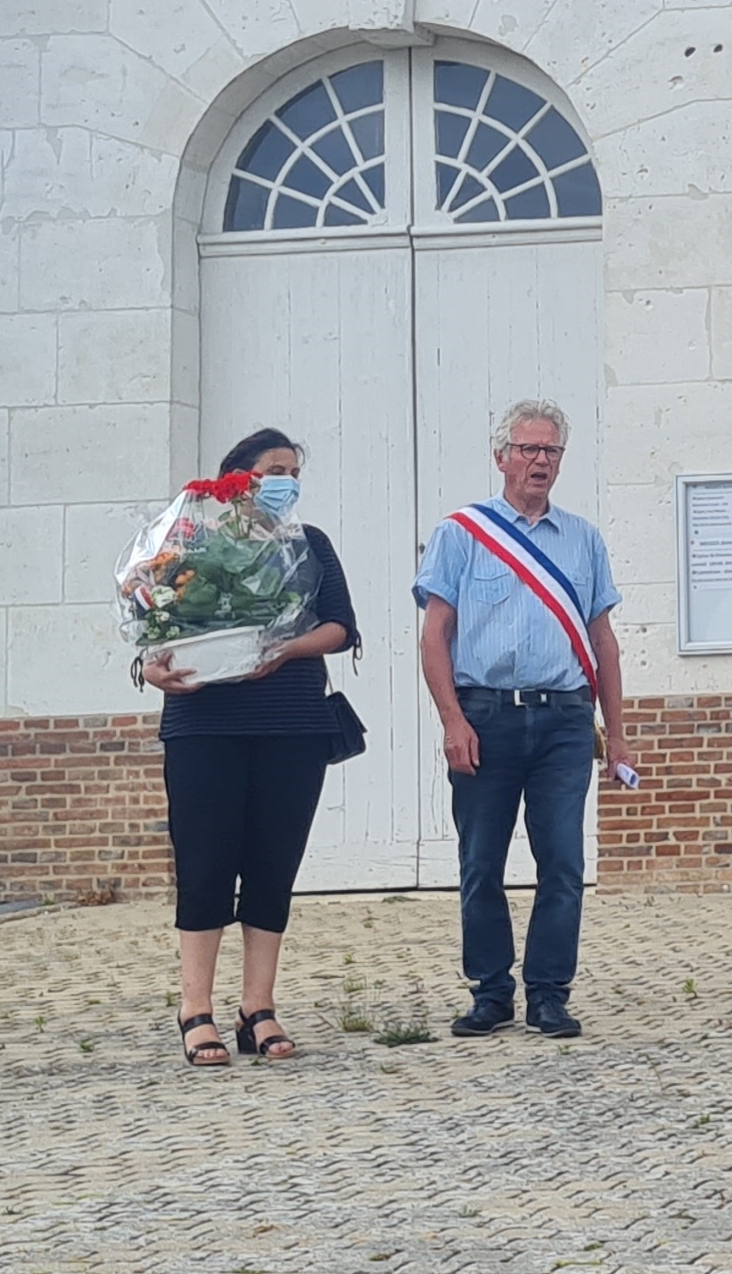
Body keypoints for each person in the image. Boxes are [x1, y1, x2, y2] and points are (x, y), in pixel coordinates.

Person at [414, 398, 635, 1041]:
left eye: (551, 451)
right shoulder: (462, 533)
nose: (539, 461)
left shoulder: (583, 538)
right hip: (486, 714)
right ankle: (490, 991)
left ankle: (549, 992)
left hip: (565, 719)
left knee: (562, 861)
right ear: (501, 456)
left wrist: (616, 733)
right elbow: (435, 637)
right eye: (528, 449)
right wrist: (453, 721)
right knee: (481, 861)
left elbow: (604, 641)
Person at [152, 426, 364, 1066]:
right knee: (207, 865)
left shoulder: (310, 545)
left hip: (292, 725)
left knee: (273, 868)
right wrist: (149, 669)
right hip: (204, 727)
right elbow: (152, 623)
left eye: (293, 472)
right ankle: (195, 1010)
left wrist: (287, 648)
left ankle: (258, 1007)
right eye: (275, 470)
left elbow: (340, 627)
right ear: (235, 477)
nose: (287, 483)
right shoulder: (191, 543)